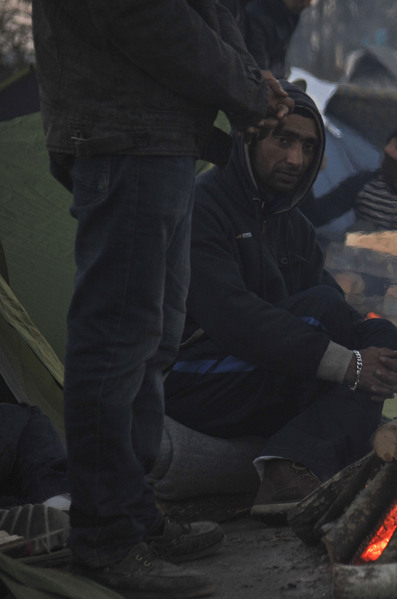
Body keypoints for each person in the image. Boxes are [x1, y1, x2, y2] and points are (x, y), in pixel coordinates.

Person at [31, 0, 294, 596]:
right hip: (129, 134)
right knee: (118, 340)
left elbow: (204, 12)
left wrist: (249, 83)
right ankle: (105, 533)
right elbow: (145, 15)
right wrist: (246, 86)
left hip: (160, 134)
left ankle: (133, 505)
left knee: (152, 340)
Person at [164, 81, 397, 523]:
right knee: (325, 317)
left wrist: (388, 351)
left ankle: (287, 467)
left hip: (266, 373)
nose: (296, 159)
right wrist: (350, 364)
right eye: (284, 140)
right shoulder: (202, 205)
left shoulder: (293, 225)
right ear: (251, 137)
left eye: (307, 146)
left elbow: (342, 316)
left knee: (374, 339)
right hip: (196, 380)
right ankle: (298, 462)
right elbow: (233, 317)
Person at [305, 120, 397, 297]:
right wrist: (309, 172)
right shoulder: (363, 183)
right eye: (390, 143)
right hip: (358, 268)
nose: (388, 150)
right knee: (341, 285)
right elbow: (317, 214)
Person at [244, 0, 311, 79]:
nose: (307, 5)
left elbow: (279, 54)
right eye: (301, 1)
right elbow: (257, 65)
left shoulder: (291, 15)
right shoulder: (257, 13)